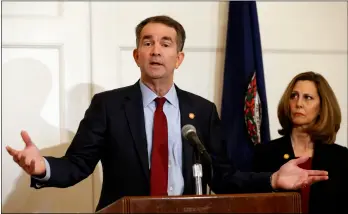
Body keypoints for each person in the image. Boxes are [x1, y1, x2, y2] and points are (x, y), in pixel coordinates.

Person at [6, 16, 328, 212]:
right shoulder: (109, 106)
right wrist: (43, 167)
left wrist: (272, 178)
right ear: (136, 55)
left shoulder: (201, 111)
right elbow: (77, 166)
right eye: (147, 43)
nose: (156, 50)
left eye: (165, 43)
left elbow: (224, 176)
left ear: (179, 57)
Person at [253, 71, 348, 214]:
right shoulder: (265, 153)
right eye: (294, 96)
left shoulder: (340, 157)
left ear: (322, 108)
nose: (298, 104)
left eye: (308, 98)